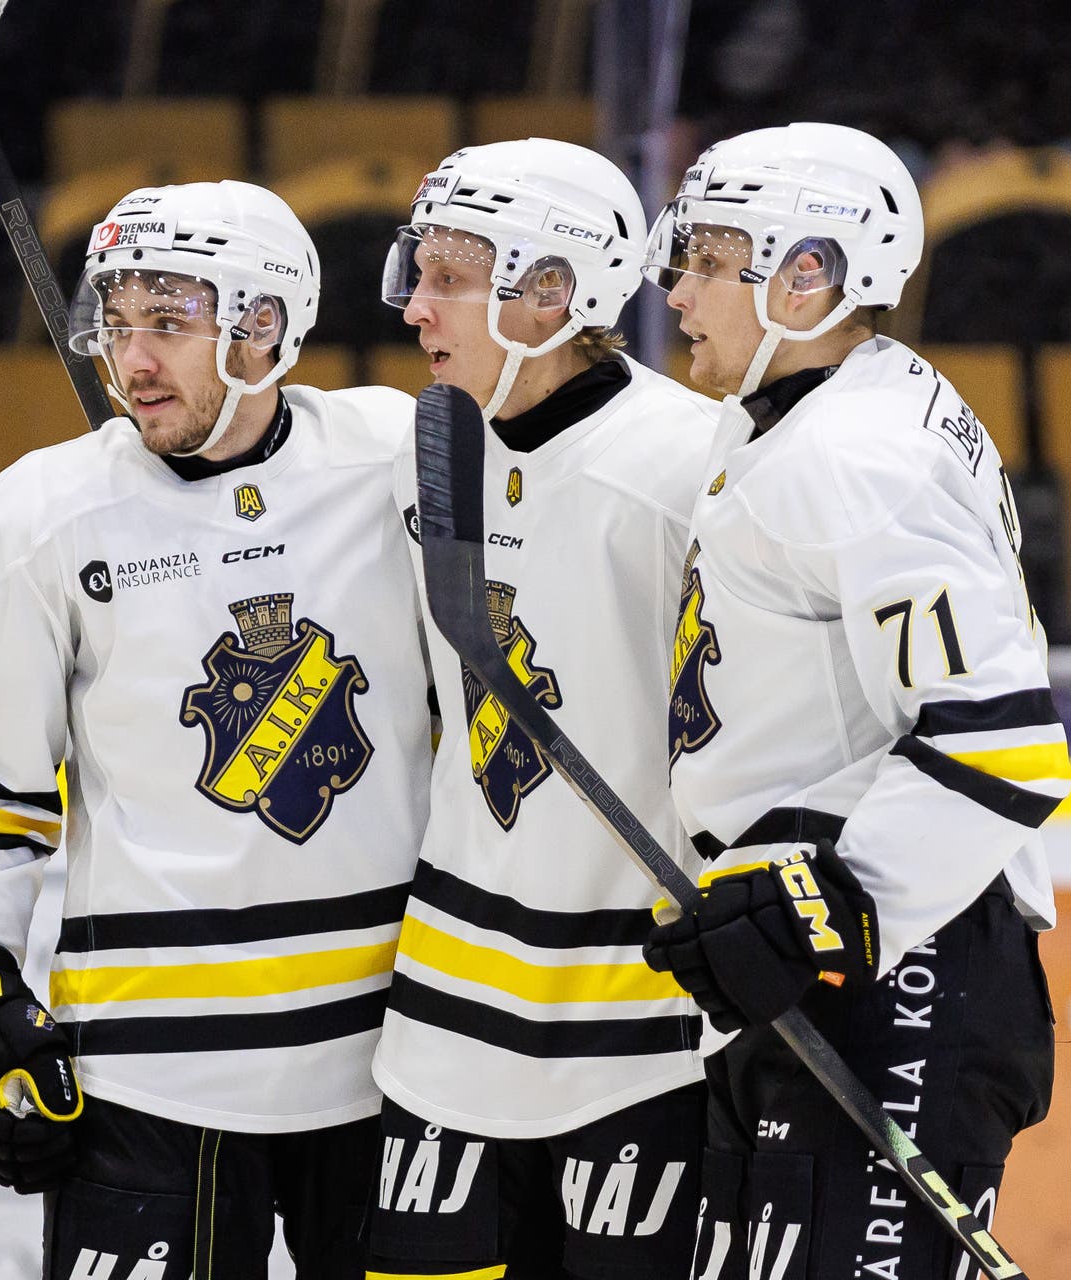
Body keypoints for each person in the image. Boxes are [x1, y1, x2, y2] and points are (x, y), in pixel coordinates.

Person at [0, 180, 435, 1280]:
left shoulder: (400, 462)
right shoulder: (45, 520)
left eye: (169, 324)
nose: (132, 359)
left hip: (397, 1062)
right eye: (119, 322)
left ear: (266, 324)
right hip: (151, 1081)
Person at [640, 122, 1067, 1279]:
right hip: (816, 946)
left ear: (809, 273)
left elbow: (1004, 743)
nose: (680, 289)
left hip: (895, 961)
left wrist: (841, 906)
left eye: (712, 261)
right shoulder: (811, 408)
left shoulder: (858, 456)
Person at [365, 138, 724, 1279]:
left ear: (553, 292)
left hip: (643, 1017)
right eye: (415, 270)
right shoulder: (422, 442)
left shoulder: (692, 469)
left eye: (449, 279)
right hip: (445, 1014)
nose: (415, 304)